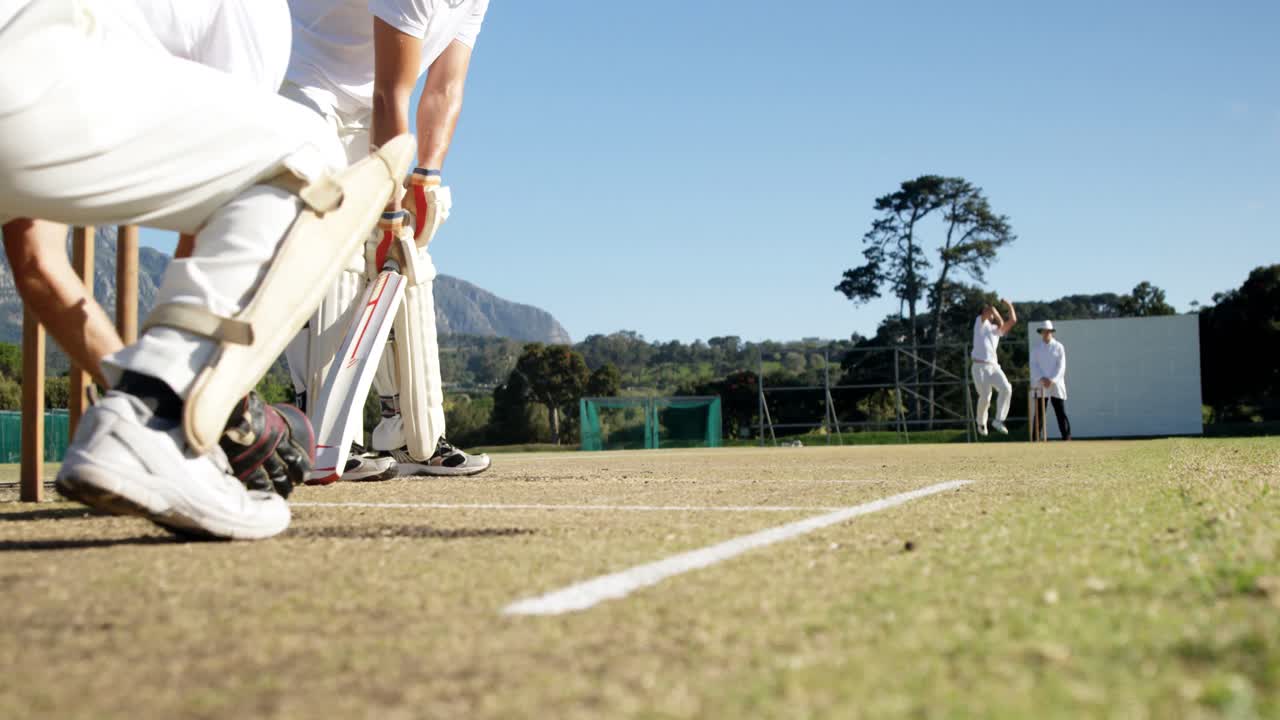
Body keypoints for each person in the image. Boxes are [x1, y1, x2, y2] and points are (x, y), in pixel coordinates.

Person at [2, 0, 415, 539]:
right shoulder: (252, 12)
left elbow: (36, 260)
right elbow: (225, 209)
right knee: (307, 151)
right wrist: (210, 403)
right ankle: (154, 423)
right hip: (31, 87)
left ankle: (149, 419)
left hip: (26, 91)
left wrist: (141, 391)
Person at [281, 0, 491, 479]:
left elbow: (444, 88)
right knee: (335, 256)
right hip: (303, 87)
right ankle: (321, 435)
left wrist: (424, 183)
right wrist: (391, 212)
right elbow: (390, 95)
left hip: (366, 105)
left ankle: (409, 433)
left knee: (412, 262)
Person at [971, 299, 1017, 436]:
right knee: (986, 397)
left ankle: (998, 420)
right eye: (987, 311)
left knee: (1007, 388)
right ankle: (981, 422)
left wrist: (1009, 305)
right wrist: (995, 311)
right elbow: (988, 311)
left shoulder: (995, 330)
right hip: (979, 366)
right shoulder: (979, 323)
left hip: (993, 366)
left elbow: (1012, 320)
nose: (990, 313)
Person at [1030, 320, 1071, 440]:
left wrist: (1052, 380)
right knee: (1039, 413)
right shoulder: (1036, 349)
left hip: (1056, 384)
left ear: (1051, 332)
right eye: (1044, 331)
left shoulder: (1059, 347)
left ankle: (1066, 437)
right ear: (1041, 333)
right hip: (1041, 383)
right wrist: (1042, 378)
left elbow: (1061, 365)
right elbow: (1033, 365)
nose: (1046, 333)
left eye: (1048, 331)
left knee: (1060, 411)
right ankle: (1035, 438)